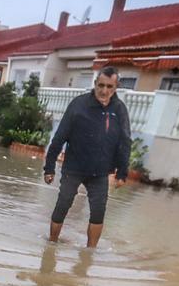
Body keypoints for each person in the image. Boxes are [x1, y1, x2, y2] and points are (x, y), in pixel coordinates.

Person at [42, 67, 131, 246]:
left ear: (116, 87)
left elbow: (125, 140)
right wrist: (49, 168)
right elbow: (59, 137)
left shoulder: (119, 109)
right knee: (63, 203)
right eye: (101, 85)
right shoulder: (79, 104)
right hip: (74, 167)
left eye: (110, 87)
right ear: (95, 84)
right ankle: (51, 244)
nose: (104, 91)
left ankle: (89, 253)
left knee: (99, 211)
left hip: (100, 172)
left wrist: (122, 172)